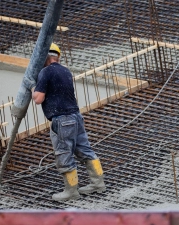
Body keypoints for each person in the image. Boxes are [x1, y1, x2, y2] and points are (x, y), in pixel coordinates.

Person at [30, 43, 106, 201]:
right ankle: (98, 184)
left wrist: (32, 87)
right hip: (76, 117)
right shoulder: (65, 71)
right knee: (86, 151)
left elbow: (38, 99)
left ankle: (71, 192)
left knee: (64, 155)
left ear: (45, 57)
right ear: (58, 56)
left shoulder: (46, 71)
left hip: (62, 120)